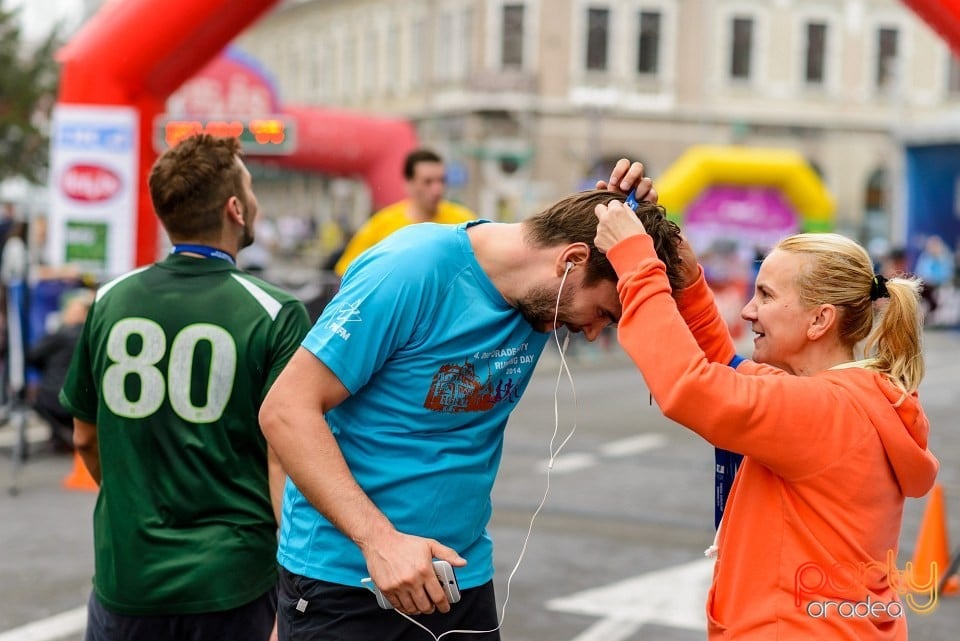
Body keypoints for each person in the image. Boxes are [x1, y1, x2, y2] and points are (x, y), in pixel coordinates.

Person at [259, 168, 682, 640]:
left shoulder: (542, 296)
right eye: (603, 313)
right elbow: (286, 410)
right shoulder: (412, 269)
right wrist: (379, 542)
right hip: (350, 579)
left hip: (459, 582)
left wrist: (649, 226)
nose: (591, 332)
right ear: (570, 262)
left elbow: (689, 362)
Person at [592, 173, 939, 639]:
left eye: (767, 296)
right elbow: (724, 368)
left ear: (820, 319)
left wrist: (635, 261)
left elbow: (690, 386)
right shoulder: (848, 397)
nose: (749, 311)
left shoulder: (820, 410)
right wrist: (683, 273)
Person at [59, 134, 312, 641]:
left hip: (126, 577)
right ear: (236, 209)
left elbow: (85, 438)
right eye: (251, 188)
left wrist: (137, 503)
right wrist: (298, 589)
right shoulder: (276, 313)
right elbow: (288, 462)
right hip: (233, 582)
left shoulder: (109, 301)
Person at [333, 148, 476, 276]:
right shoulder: (382, 224)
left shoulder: (463, 221)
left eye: (441, 181)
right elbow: (346, 271)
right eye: (428, 182)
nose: (437, 190)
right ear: (408, 183)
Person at [26, 288, 94, 452]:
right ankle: (64, 436)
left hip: (55, 398)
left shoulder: (60, 335)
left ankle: (63, 435)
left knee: (33, 394)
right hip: (84, 398)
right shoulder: (93, 335)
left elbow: (32, 356)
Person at [914, 234, 954, 322]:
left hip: (941, 285)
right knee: (920, 291)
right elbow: (920, 272)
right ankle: (925, 316)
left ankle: (935, 315)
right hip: (928, 285)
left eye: (935, 245)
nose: (933, 248)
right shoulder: (925, 257)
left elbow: (947, 274)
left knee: (941, 293)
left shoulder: (945, 258)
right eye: (931, 246)